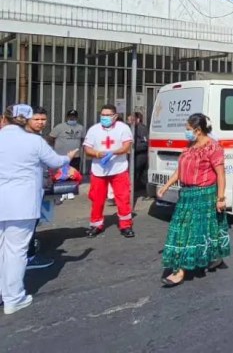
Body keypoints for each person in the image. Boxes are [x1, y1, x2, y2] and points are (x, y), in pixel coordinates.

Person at [0, 104, 78, 315]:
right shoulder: (33, 141)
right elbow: (55, 162)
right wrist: (68, 157)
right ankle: (13, 298)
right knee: (16, 251)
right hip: (21, 204)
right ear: (26, 120)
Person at [157, 114, 230, 288]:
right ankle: (213, 258)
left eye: (188, 129)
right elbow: (180, 170)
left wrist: (220, 198)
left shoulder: (213, 148)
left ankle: (180, 271)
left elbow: (220, 174)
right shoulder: (189, 147)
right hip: (186, 195)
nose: (186, 132)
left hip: (204, 194)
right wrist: (166, 186)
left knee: (193, 231)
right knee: (187, 229)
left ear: (198, 130)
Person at [83, 104, 135, 238]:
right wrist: (97, 154)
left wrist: (112, 153)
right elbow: (87, 149)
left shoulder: (123, 128)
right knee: (97, 199)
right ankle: (96, 225)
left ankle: (126, 225)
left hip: (119, 168)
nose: (104, 118)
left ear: (115, 116)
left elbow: (126, 147)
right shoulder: (93, 130)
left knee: (122, 198)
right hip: (99, 169)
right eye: (102, 115)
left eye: (108, 115)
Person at [24, 107, 55, 271]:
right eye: (37, 119)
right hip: (25, 189)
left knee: (32, 223)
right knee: (26, 224)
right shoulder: (25, 138)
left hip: (36, 186)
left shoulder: (37, 137)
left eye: (43, 119)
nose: (41, 122)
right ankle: (28, 257)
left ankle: (29, 249)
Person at [128, 112, 149, 188]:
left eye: (131, 120)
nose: (130, 121)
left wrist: (134, 147)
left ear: (138, 119)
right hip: (135, 154)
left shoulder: (141, 128)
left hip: (141, 155)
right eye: (129, 120)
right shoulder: (132, 128)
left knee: (135, 170)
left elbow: (146, 143)